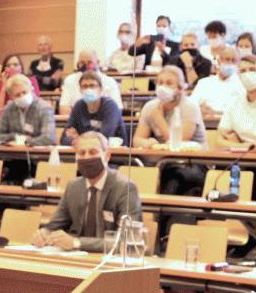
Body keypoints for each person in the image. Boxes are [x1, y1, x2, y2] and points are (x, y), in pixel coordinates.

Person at [31, 131, 141, 252]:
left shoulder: (125, 188)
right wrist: (43, 234)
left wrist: (76, 242)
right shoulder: (73, 187)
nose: (87, 157)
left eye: (93, 152)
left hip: (109, 261)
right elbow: (54, 226)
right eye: (81, 153)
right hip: (75, 260)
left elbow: (127, 241)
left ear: (107, 156)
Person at [133, 65, 206, 195]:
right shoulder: (150, 106)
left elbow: (178, 143)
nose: (163, 87)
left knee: (173, 181)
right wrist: (148, 143)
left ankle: (163, 214)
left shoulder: (189, 106)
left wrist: (159, 119)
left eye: (169, 83)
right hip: (159, 161)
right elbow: (137, 140)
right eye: (160, 83)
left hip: (190, 163)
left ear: (179, 87)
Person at [63, 72, 125, 146]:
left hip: (115, 152)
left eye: (92, 86)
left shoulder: (110, 106)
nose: (88, 89)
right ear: (80, 90)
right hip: (85, 150)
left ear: (100, 89)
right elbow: (64, 138)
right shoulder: (78, 106)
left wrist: (78, 138)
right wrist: (76, 141)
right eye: (84, 86)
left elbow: (103, 137)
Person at [0, 74, 54, 145]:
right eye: (17, 95)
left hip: (36, 154)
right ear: (11, 97)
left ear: (31, 89)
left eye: (24, 92)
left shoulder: (44, 108)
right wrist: (15, 137)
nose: (22, 96)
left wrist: (25, 141)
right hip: (12, 154)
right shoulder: (8, 109)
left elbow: (48, 138)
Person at [58, 50, 122, 116]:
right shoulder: (70, 80)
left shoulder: (110, 82)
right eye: (82, 63)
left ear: (98, 62)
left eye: (89, 62)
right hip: (77, 122)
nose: (86, 66)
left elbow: (117, 110)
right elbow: (64, 107)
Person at [190, 46, 245, 120]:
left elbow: (244, 111)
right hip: (205, 124)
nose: (230, 63)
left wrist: (215, 113)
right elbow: (191, 106)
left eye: (234, 60)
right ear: (219, 61)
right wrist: (200, 110)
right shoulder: (204, 83)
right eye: (227, 59)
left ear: (238, 63)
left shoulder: (243, 85)